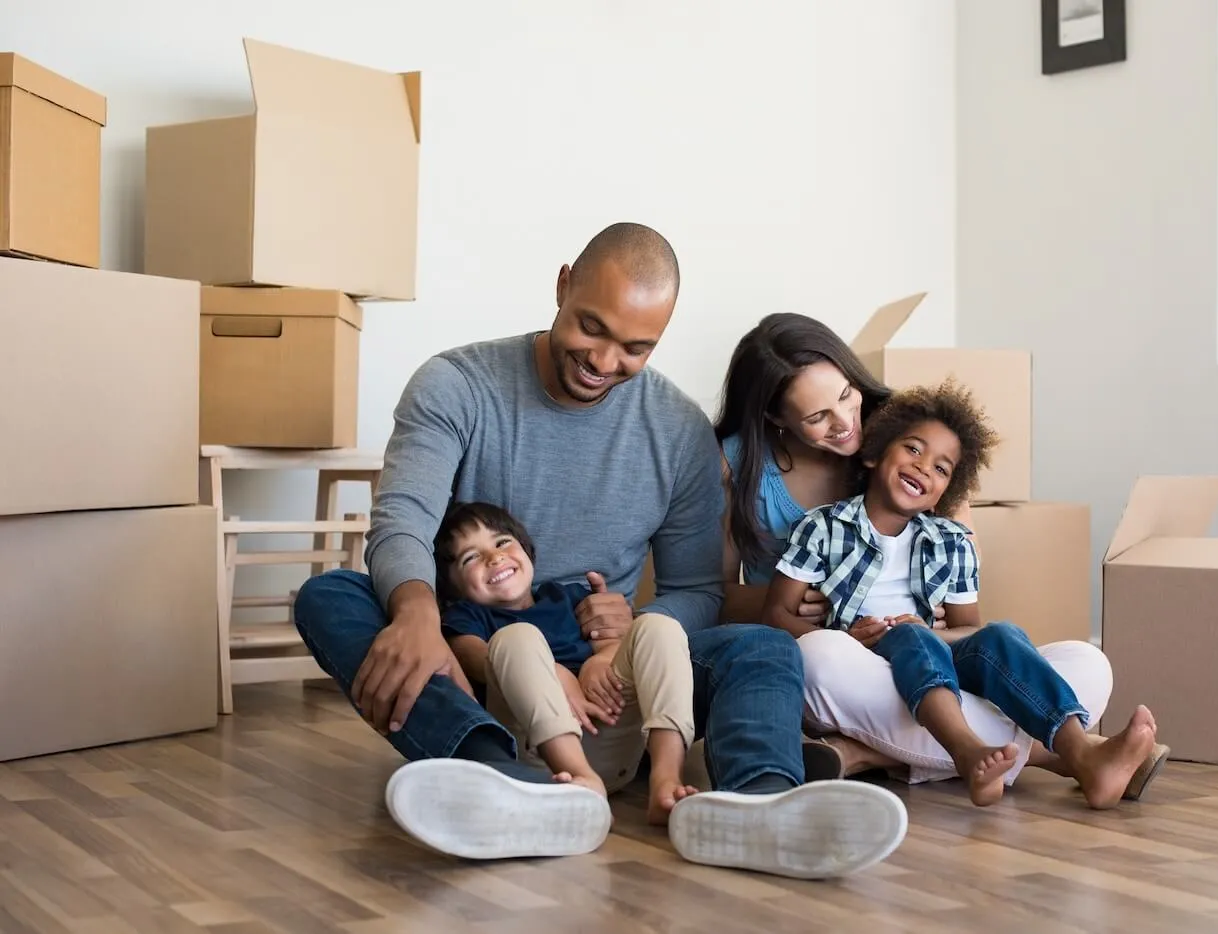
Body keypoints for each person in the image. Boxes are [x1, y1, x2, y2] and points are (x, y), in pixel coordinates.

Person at [294, 223, 907, 878]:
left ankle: (757, 802)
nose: (605, 361)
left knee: (762, 646)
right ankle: (492, 771)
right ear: (563, 286)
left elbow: (698, 588)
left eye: (635, 348)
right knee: (331, 597)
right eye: (592, 328)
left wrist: (627, 636)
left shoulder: (676, 430)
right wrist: (418, 615)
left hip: (614, 680)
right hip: (477, 655)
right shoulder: (456, 385)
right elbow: (404, 519)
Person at [713, 312, 1169, 797]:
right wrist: (813, 609)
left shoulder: (914, 438)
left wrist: (937, 632)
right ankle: (1060, 756)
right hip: (842, 662)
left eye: (846, 395)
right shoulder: (773, 490)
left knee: (1087, 664)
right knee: (821, 656)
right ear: (776, 418)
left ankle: (866, 753)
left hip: (934, 656)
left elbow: (966, 618)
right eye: (817, 416)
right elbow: (715, 596)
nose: (847, 423)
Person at [433, 500, 698, 824]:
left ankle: (666, 780)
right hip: (542, 753)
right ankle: (581, 779)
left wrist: (598, 662)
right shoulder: (467, 616)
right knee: (517, 637)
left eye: (502, 542)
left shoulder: (567, 596)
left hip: (611, 730)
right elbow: (473, 659)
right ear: (452, 587)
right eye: (471, 557)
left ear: (527, 552)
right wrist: (553, 672)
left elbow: (614, 644)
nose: (494, 557)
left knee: (659, 627)